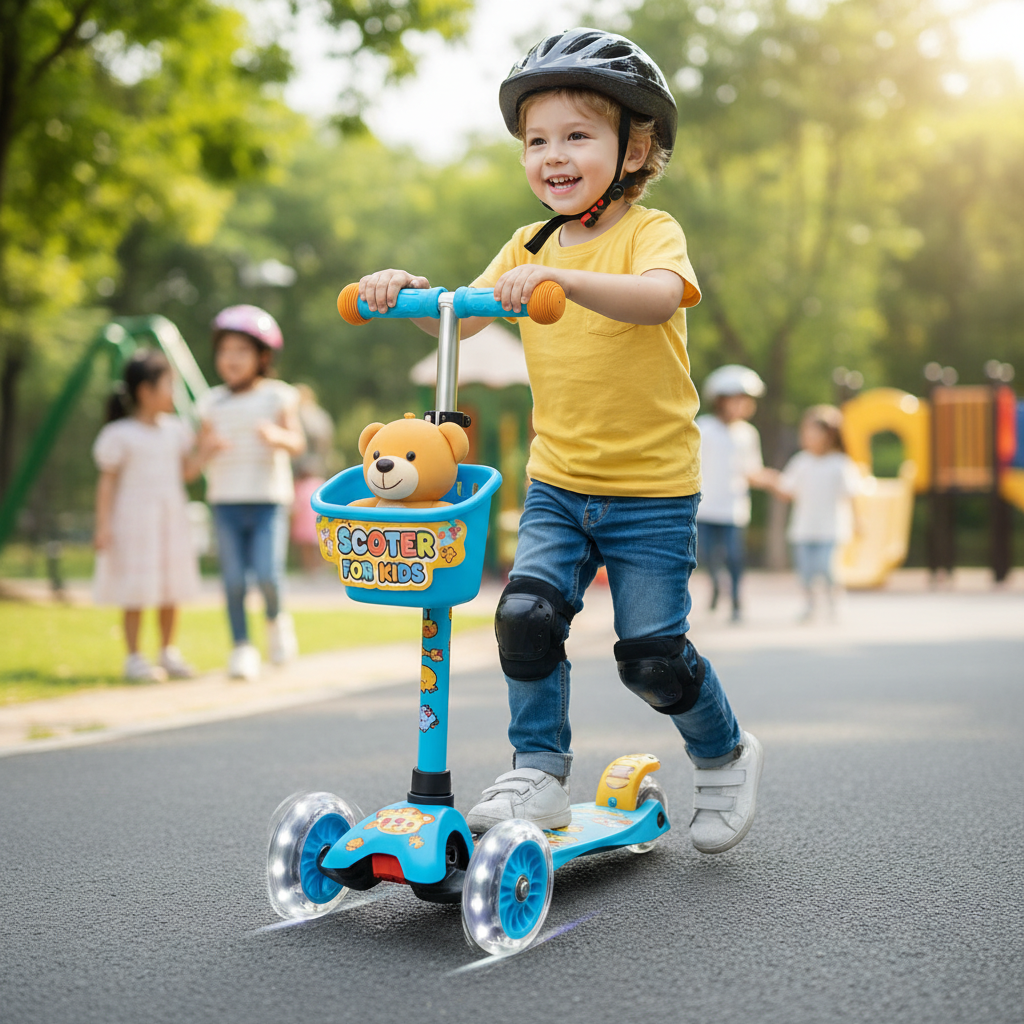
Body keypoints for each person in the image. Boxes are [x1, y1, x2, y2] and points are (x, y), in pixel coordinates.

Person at [357, 29, 763, 855]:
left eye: (577, 135)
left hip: (651, 490)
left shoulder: (650, 232)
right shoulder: (527, 245)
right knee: (525, 619)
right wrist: (409, 291)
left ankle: (724, 753)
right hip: (558, 483)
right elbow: (462, 318)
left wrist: (563, 281)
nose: (553, 155)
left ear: (634, 149)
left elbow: (658, 298)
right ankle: (538, 772)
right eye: (536, 140)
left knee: (651, 657)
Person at [197, 305, 305, 680]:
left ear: (262, 356)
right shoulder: (210, 402)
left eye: (241, 351)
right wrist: (208, 448)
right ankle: (241, 647)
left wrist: (276, 437)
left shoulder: (278, 397)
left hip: (267, 501)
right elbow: (198, 455)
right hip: (225, 502)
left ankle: (276, 621)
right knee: (233, 581)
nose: (231, 359)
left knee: (267, 576)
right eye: (224, 350)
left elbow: (297, 443)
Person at [93, 349, 203, 682]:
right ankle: (134, 657)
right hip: (134, 522)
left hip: (170, 519)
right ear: (145, 391)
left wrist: (207, 452)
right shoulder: (119, 434)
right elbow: (107, 484)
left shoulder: (175, 430)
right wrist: (103, 525)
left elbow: (187, 473)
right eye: (168, 384)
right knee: (136, 587)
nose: (173, 393)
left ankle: (168, 652)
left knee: (171, 585)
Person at [695, 365, 777, 621]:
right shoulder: (703, 428)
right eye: (737, 399)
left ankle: (736, 601)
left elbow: (752, 470)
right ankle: (716, 588)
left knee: (734, 556)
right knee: (708, 556)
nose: (744, 405)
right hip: (706, 506)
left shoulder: (747, 434)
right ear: (720, 400)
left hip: (733, 507)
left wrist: (773, 480)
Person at [773, 404, 862, 621]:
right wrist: (770, 480)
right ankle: (810, 605)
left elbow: (852, 494)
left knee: (827, 568)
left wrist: (858, 520)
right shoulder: (801, 462)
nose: (808, 437)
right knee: (806, 572)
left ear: (829, 435)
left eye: (814, 432)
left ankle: (834, 600)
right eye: (806, 432)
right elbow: (786, 489)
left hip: (831, 528)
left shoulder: (840, 464)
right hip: (803, 528)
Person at [290, 384, 336, 574]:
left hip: (308, 476)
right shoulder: (320, 417)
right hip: (311, 476)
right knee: (309, 525)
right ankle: (314, 567)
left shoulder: (307, 417)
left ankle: (316, 566)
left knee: (311, 524)